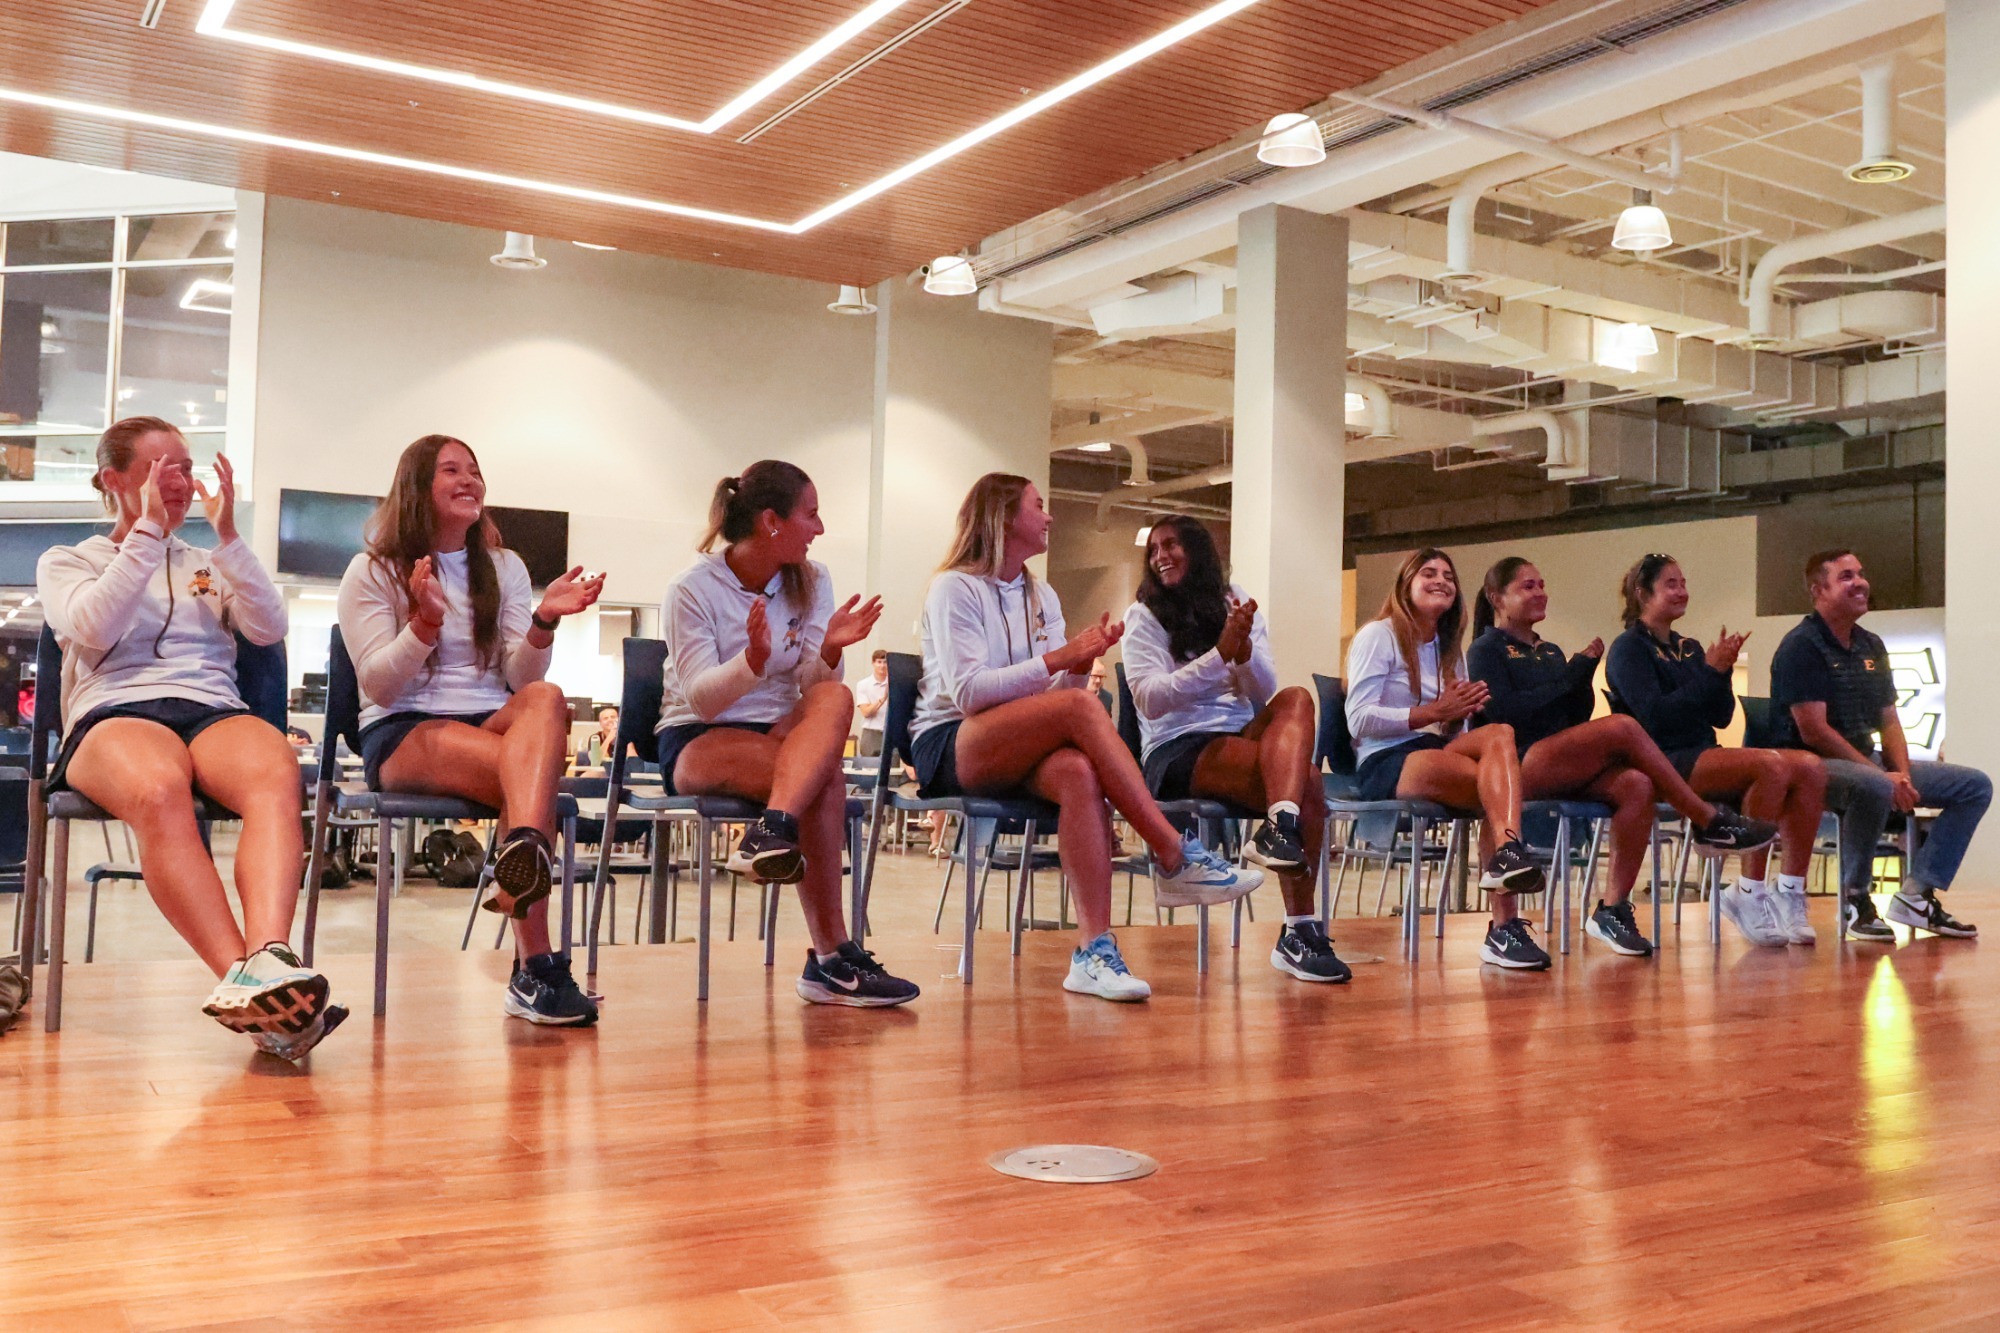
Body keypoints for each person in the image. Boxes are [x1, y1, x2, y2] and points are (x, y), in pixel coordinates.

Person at [37, 416, 342, 1059]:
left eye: (185, 466)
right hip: (114, 710)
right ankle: (253, 992)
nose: (179, 480)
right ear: (112, 479)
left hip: (211, 708)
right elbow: (94, 626)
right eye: (161, 468)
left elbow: (268, 627)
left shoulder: (208, 563)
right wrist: (147, 533)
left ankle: (271, 958)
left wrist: (229, 538)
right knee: (157, 788)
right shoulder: (69, 561)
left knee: (275, 772)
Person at [911, 473, 1261, 1002]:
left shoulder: (1042, 594)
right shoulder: (954, 587)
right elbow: (969, 693)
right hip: (951, 740)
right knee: (1081, 707)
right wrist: (1062, 658)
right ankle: (1171, 851)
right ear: (1005, 517)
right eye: (1038, 506)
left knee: (1077, 770)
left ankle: (1094, 953)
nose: (1049, 516)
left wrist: (1078, 665)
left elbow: (1056, 694)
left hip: (1017, 738)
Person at [337, 434, 604, 1025]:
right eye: (451, 470)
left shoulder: (505, 567)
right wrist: (423, 625)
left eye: (475, 471)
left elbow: (519, 676)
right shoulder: (371, 570)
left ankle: (522, 854)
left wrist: (543, 622)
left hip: (489, 718)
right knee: (531, 787)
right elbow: (380, 686)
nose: (469, 481)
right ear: (417, 487)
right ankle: (537, 968)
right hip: (403, 726)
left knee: (546, 698)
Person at [659, 460, 917, 1007]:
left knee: (836, 696)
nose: (820, 528)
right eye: (811, 515)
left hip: (781, 729)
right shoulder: (691, 589)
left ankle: (772, 829)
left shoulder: (812, 579)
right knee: (825, 780)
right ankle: (832, 959)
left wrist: (830, 649)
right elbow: (702, 700)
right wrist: (752, 662)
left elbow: (811, 684)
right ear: (771, 522)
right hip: (701, 735)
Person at [1468, 558, 1779, 957]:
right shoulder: (1486, 649)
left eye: (1542, 584)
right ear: (1497, 598)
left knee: (1637, 784)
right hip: (1515, 765)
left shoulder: (1549, 651)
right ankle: (1706, 819)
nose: (1541, 593)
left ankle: (1612, 909)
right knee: (1623, 727)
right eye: (1528, 586)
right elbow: (1508, 714)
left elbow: (1572, 717)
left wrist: (1580, 678)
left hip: (1556, 760)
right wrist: (1572, 675)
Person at [1124, 515, 1347, 982]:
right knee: (1307, 781)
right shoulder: (1143, 615)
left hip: (1239, 732)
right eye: (1154, 549)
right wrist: (1219, 655)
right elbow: (1149, 698)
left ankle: (1280, 825)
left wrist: (1242, 654)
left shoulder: (1234, 601)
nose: (1161, 556)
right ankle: (1300, 931)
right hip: (1177, 747)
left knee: (1296, 697)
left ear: (1197, 550)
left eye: (1171, 545)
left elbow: (1261, 689)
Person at [1606, 553, 1827, 947]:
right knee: (1771, 766)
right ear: (1642, 593)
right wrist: (1710, 672)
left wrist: (1722, 672)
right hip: (1661, 761)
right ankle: (1748, 892)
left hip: (1702, 752)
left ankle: (1790, 890)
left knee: (1810, 767)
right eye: (1671, 584)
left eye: (1683, 583)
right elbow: (1656, 718)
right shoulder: (1628, 649)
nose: (1682, 591)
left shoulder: (1688, 647)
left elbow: (1722, 716)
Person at [1346, 547, 1549, 969]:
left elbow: (1455, 731)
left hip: (1433, 747)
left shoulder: (1448, 648)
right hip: (1386, 758)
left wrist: (1456, 717)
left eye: (1448, 576)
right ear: (1405, 584)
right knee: (1497, 794)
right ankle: (1504, 926)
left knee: (1500, 734)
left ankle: (1507, 856)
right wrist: (1434, 712)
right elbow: (1359, 719)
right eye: (1429, 573)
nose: (1441, 580)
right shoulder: (1378, 635)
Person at [1771, 549, 1983, 941]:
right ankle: (1855, 899)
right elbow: (1814, 731)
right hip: (1809, 767)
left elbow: (1889, 719)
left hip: (1866, 762)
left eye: (1861, 574)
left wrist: (1901, 773)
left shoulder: (1871, 645)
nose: (1860, 583)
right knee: (1872, 785)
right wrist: (1882, 776)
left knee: (1973, 786)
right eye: (1846, 576)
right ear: (1818, 590)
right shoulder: (1801, 646)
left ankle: (1917, 896)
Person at [854, 649, 889, 758]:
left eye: (885, 662)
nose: (882, 666)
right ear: (873, 663)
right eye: (879, 662)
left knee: (892, 767)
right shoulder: (863, 684)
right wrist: (883, 699)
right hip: (871, 733)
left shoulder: (894, 683)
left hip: (890, 733)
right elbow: (866, 712)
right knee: (868, 765)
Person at [573, 704, 619, 773]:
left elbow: (633, 761)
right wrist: (610, 737)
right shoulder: (595, 738)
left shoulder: (626, 737)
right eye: (605, 718)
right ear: (600, 723)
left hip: (621, 771)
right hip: (601, 771)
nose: (610, 720)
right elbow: (596, 761)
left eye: (613, 717)